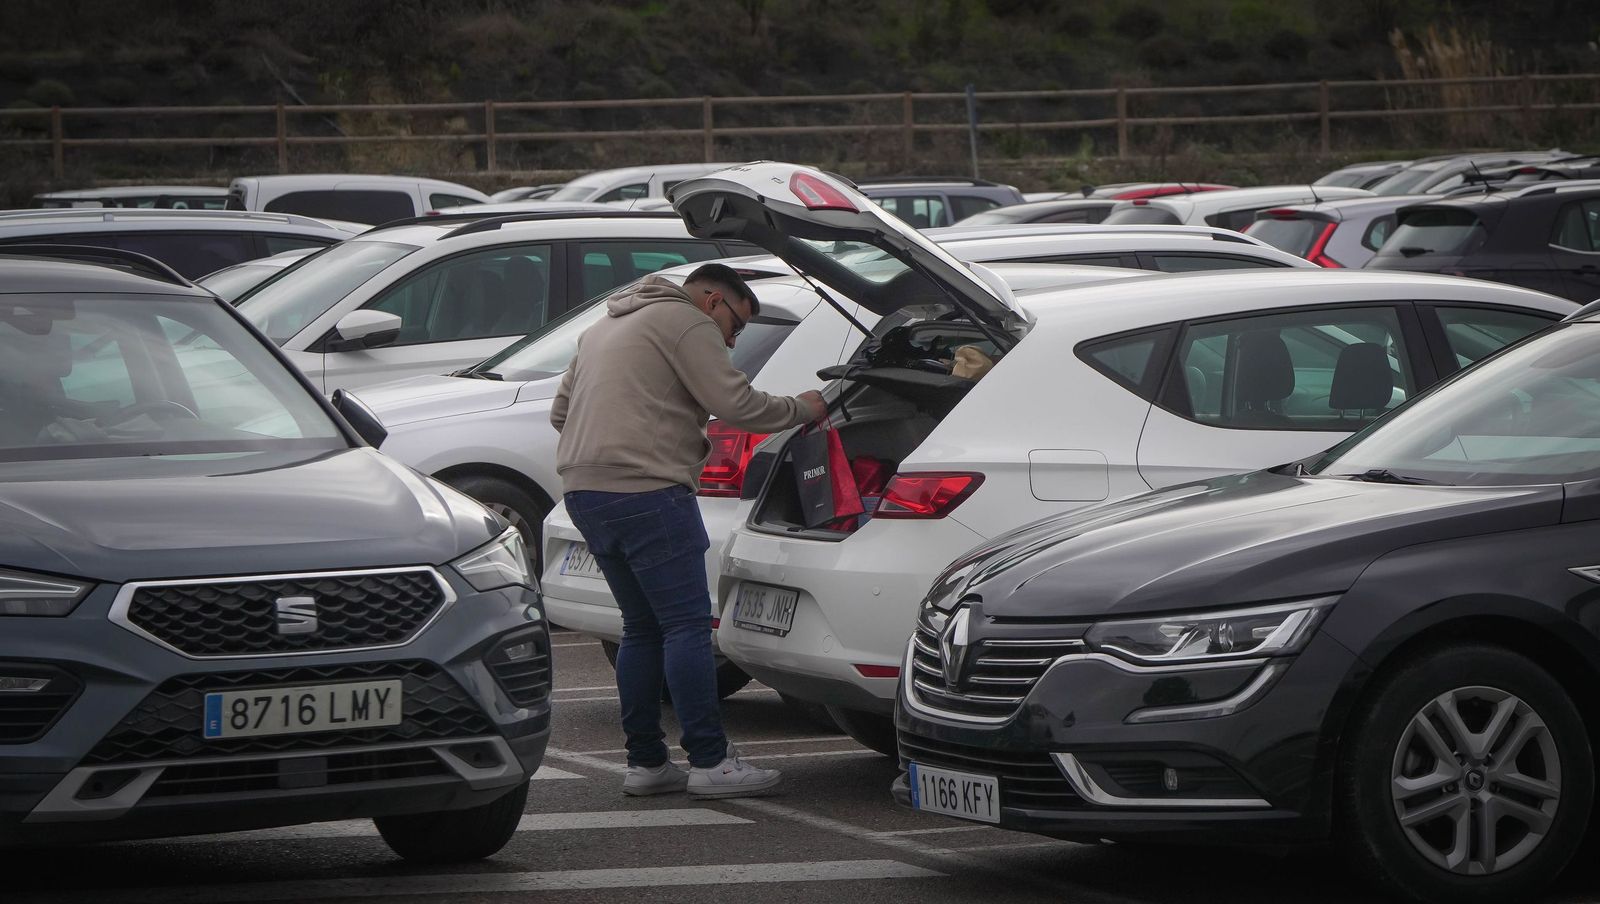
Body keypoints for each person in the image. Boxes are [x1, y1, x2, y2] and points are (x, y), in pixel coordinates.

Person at [551, 263, 826, 798]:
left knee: (640, 628)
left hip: (584, 492)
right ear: (712, 299)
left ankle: (647, 763)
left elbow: (561, 412)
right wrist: (803, 407)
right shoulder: (686, 321)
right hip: (648, 492)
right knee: (686, 627)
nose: (732, 339)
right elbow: (736, 404)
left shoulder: (602, 327)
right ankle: (710, 761)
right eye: (736, 325)